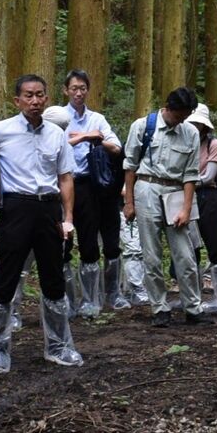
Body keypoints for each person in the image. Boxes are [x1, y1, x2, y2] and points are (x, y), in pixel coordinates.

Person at [0, 74, 81, 373]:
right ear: (17, 100)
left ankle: (58, 346)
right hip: (16, 207)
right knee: (6, 277)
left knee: (53, 279)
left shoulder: (56, 134)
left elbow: (66, 177)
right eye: (28, 95)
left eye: (40, 95)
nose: (35, 101)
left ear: (46, 98)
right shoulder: (1, 130)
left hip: (49, 208)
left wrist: (68, 218)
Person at [122, 87, 211, 328]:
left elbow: (191, 175)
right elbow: (130, 167)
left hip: (176, 193)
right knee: (151, 254)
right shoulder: (142, 126)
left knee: (185, 254)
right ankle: (159, 309)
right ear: (169, 108)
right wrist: (129, 203)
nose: (182, 119)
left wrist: (186, 209)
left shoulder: (190, 133)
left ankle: (193, 308)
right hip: (146, 188)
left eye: (187, 114)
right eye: (180, 114)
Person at [61, 70, 126, 316]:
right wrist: (80, 140)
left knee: (103, 239)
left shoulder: (96, 119)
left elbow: (115, 146)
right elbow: (52, 144)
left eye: (83, 88)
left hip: (96, 183)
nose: (79, 93)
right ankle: (78, 300)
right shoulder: (58, 117)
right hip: (68, 182)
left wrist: (90, 136)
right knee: (78, 240)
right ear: (66, 90)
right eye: (74, 88)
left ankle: (105, 296)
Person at [187, 102, 217, 314]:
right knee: (190, 249)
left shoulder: (213, 144)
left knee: (215, 246)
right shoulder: (182, 141)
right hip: (186, 197)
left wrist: (186, 181)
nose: (195, 127)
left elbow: (208, 176)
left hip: (208, 197)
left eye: (198, 123)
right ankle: (192, 298)